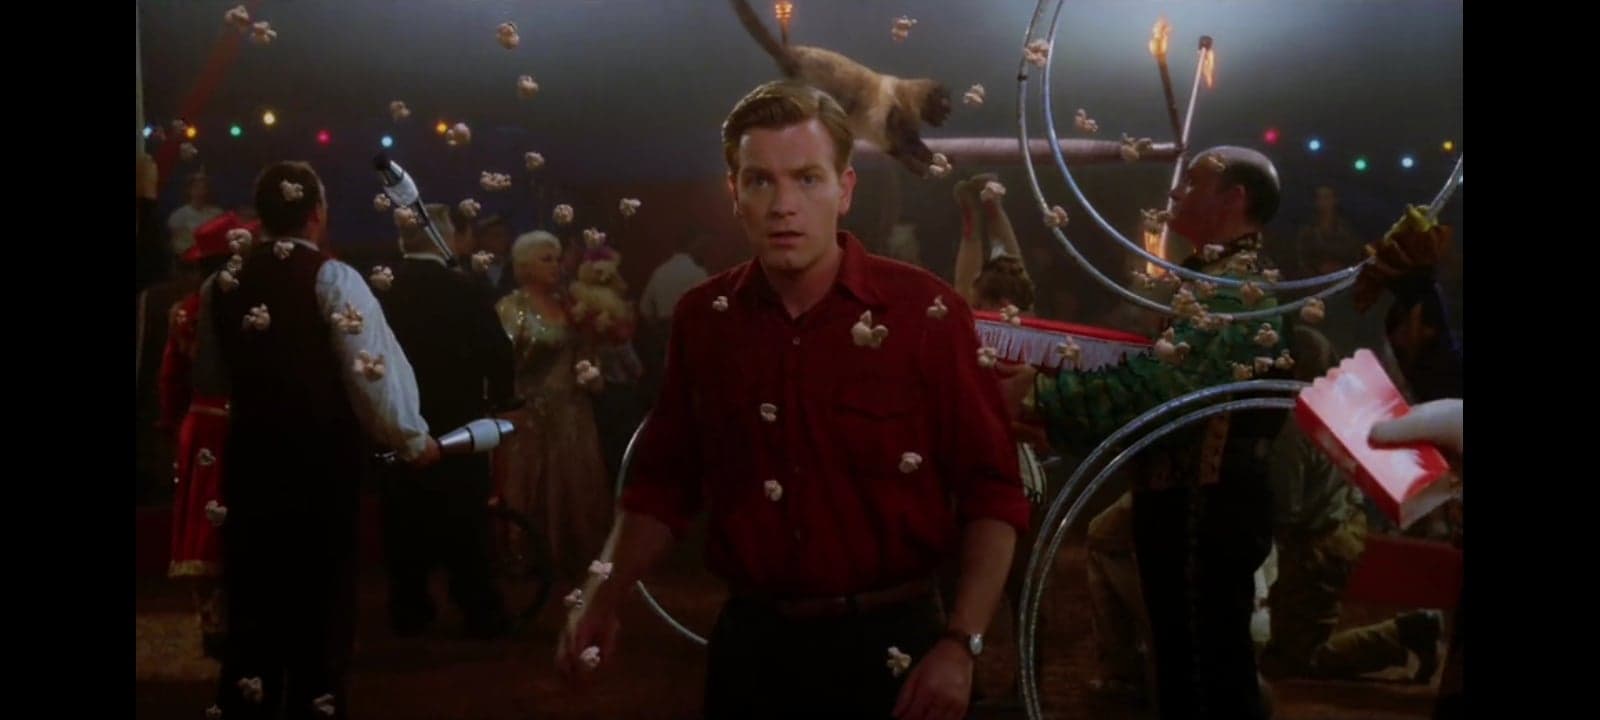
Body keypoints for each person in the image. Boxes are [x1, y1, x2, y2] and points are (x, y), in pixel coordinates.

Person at [556, 81, 1030, 720]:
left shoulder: (925, 312)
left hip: (894, 648)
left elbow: (992, 491)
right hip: (753, 650)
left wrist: (960, 643)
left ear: (845, 189)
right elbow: (663, 484)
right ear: (734, 193)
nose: (784, 205)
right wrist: (602, 595)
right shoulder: (705, 319)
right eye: (760, 181)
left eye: (807, 179)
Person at [1005, 147, 1293, 719]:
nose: (1176, 192)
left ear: (1234, 198)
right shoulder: (1213, 282)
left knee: (1203, 671)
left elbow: (1165, 389)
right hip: (1187, 499)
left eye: (1193, 182)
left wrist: (1043, 395)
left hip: (1205, 508)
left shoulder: (1237, 291)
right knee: (1188, 662)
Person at [194, 161, 439, 719]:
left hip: (251, 461)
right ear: (317, 215)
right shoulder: (334, 279)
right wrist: (410, 438)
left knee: (254, 602)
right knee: (320, 605)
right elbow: (371, 373)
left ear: (259, 218)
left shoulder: (219, 285)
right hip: (319, 464)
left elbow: (210, 377)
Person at [375, 203, 516, 638]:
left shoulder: (382, 288)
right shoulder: (466, 289)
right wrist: (505, 398)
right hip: (459, 418)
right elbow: (497, 351)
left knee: (403, 516)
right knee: (465, 517)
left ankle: (409, 607)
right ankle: (478, 607)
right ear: (445, 238)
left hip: (396, 418)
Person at [159, 211, 258, 659]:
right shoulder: (261, 305)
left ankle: (214, 622)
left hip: (203, 424)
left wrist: (172, 423)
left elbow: (171, 379)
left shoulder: (185, 312)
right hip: (253, 422)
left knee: (205, 528)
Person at [493, 231, 613, 585]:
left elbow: (586, 353)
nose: (556, 265)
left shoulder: (571, 304)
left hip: (573, 412)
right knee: (529, 485)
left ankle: (575, 558)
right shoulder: (510, 308)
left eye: (558, 258)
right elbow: (501, 364)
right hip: (529, 414)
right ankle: (526, 557)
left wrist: (591, 371)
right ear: (524, 265)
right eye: (546, 259)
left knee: (576, 485)